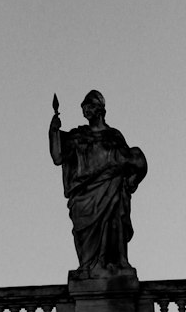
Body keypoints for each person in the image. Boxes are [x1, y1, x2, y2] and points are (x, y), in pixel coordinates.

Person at [49, 90, 148, 278]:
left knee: (113, 224)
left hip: (111, 186)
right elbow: (58, 157)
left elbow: (131, 161)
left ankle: (115, 263)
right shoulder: (77, 136)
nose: (86, 110)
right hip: (84, 194)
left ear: (100, 110)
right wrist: (54, 131)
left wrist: (131, 178)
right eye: (84, 107)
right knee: (83, 232)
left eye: (90, 106)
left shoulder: (113, 135)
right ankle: (88, 266)